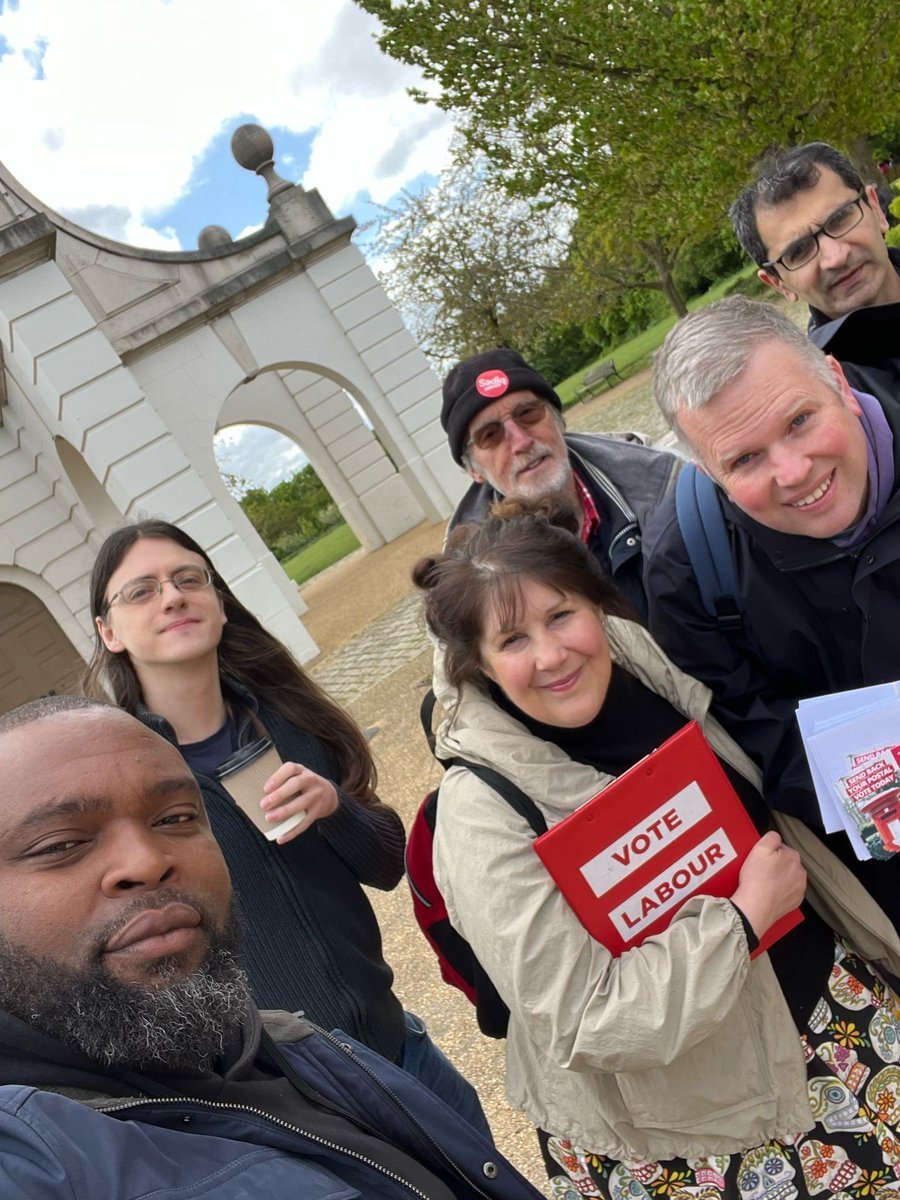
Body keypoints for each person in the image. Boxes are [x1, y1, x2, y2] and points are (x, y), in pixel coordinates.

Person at [413, 498, 900, 1198]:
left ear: (598, 606)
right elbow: (582, 1019)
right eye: (512, 640)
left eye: (561, 615)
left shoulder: (641, 660)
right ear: (480, 665)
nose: (552, 656)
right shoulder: (479, 814)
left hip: (832, 1016)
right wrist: (739, 921)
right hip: (706, 1130)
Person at [0, 696, 538, 1199]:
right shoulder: (32, 1164)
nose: (146, 861)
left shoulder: (290, 1045)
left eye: (176, 818)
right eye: (61, 845)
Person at [82, 518, 489, 1135]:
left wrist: (336, 808)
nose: (172, 596)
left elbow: (388, 863)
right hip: (291, 1105)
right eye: (141, 590)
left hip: (401, 1054)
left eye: (189, 579)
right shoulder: (119, 789)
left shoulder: (290, 719)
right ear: (108, 631)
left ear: (219, 602)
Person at [644, 295, 899, 921]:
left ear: (835, 378)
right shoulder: (686, 571)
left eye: (799, 421)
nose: (793, 471)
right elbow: (760, 738)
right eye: (745, 459)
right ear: (707, 468)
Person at [441, 348, 681, 618]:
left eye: (528, 413)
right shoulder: (462, 580)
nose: (521, 441)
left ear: (559, 420)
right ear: (475, 471)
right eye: (490, 435)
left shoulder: (664, 484)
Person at [730, 141, 900, 398]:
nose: (835, 257)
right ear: (779, 284)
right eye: (799, 251)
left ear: (876, 209)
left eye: (840, 218)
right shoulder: (823, 400)